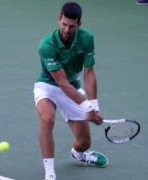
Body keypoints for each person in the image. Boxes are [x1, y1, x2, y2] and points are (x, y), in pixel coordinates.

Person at [33, 2, 108, 180]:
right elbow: (61, 82)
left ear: (79, 24)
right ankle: (50, 174)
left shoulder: (87, 38)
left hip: (73, 88)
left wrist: (94, 106)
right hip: (48, 86)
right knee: (47, 118)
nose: (66, 29)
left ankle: (79, 154)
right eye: (64, 24)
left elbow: (89, 74)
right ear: (59, 20)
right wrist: (88, 107)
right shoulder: (47, 44)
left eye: (71, 26)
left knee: (84, 142)